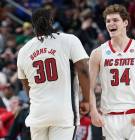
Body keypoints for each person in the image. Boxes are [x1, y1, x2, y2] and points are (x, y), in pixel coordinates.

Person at [17, 8, 90, 140]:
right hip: (63, 111)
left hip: (38, 112)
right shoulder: (69, 40)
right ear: (51, 21)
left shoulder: (23, 51)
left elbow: (26, 86)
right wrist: (86, 100)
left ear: (33, 26)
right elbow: (84, 70)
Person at [89, 4, 135, 140]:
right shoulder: (98, 53)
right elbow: (89, 87)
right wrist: (93, 111)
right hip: (110, 117)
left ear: (125, 23)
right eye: (108, 21)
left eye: (115, 20)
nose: (111, 24)